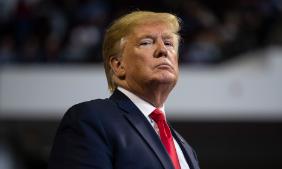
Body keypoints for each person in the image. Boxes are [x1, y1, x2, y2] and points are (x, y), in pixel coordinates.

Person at [48, 11, 200, 169]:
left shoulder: (186, 149)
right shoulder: (91, 119)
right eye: (146, 42)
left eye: (169, 43)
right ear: (118, 65)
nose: (163, 50)